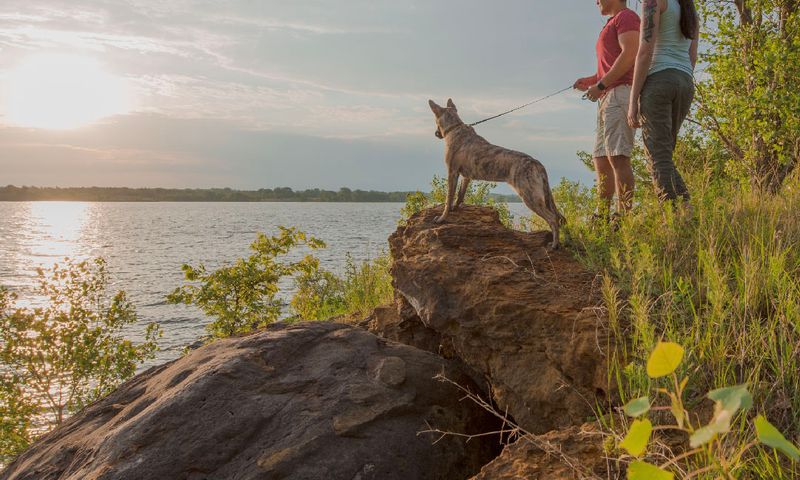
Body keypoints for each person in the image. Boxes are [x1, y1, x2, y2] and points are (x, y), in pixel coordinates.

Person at [627, 0, 698, 204]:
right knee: (665, 154)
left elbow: (645, 51)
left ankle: (674, 217)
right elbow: (692, 56)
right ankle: (685, 211)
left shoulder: (654, 2)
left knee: (657, 155)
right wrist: (679, 79)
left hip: (659, 81)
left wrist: (633, 100)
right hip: (684, 82)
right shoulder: (689, 8)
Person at [574, 0, 640, 216]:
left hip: (620, 93)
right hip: (607, 97)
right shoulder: (612, 22)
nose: (596, 1)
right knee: (601, 159)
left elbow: (630, 53)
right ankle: (601, 216)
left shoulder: (626, 17)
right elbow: (610, 67)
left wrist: (600, 85)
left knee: (618, 157)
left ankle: (622, 219)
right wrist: (592, 80)